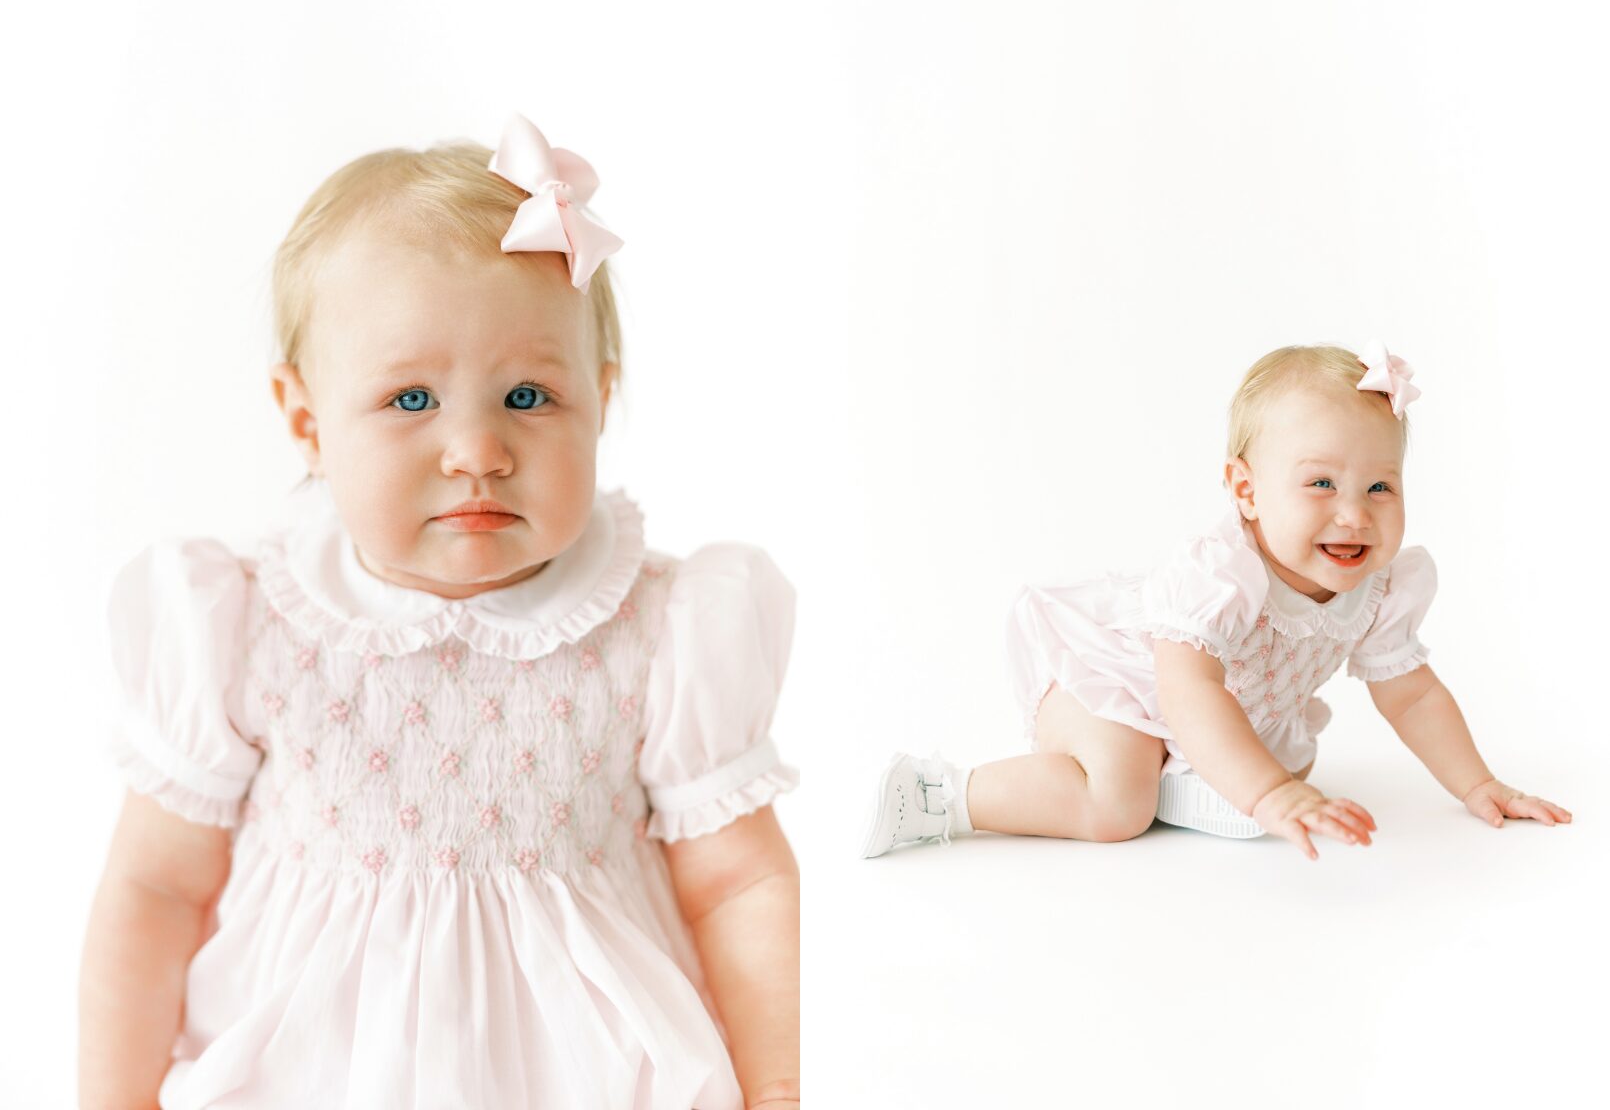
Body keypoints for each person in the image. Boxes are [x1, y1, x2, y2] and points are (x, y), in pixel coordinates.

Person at [79, 113, 801, 1109]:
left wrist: (774, 1086)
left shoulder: (662, 631)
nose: (476, 450)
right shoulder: (245, 627)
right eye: (411, 401)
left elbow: (737, 885)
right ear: (307, 422)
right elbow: (154, 890)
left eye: (528, 397)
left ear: (600, 398)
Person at [861, 341, 1571, 861]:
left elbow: (1413, 697)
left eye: (1379, 488)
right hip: (1114, 685)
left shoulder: (1381, 589)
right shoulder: (1220, 573)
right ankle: (938, 796)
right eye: (1321, 484)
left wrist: (1478, 783)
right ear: (1246, 491)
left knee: (1294, 763)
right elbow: (1189, 690)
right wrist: (1266, 797)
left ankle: (1193, 777)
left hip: (1222, 710)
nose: (1354, 515)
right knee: (1118, 803)